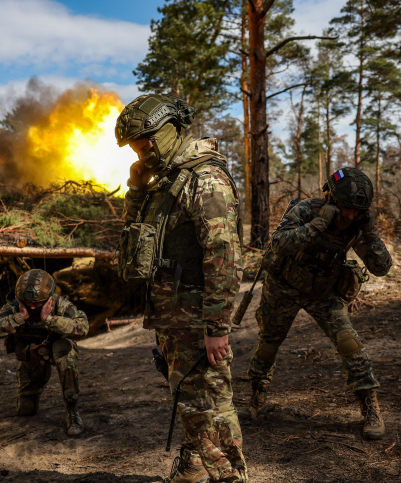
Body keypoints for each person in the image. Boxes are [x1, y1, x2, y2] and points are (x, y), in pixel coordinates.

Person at [115, 94, 247, 483]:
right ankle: (193, 468)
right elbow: (132, 238)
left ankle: (229, 476)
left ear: (169, 131)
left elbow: (225, 254)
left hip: (195, 316)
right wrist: (136, 188)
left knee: (205, 404)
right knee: (195, 396)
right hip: (174, 314)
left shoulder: (204, 180)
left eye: (145, 143)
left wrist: (217, 327)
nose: (142, 153)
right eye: (136, 147)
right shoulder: (168, 181)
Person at [247, 167, 392, 441]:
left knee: (349, 343)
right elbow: (278, 243)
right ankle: (256, 395)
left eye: (356, 211)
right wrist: (317, 226)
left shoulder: (357, 225)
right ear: (331, 198)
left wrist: (370, 235)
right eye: (345, 208)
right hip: (283, 287)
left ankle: (370, 406)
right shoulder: (306, 210)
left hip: (322, 291)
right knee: (268, 343)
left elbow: (382, 267)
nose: (349, 215)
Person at [0, 269, 89, 436]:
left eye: (38, 304)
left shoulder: (59, 304)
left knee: (65, 350)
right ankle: (31, 392)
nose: (32, 307)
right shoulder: (15, 307)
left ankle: (72, 410)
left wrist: (49, 320)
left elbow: (83, 326)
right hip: (32, 357)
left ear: (49, 298)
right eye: (27, 303)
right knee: (26, 409)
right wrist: (18, 318)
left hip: (56, 351)